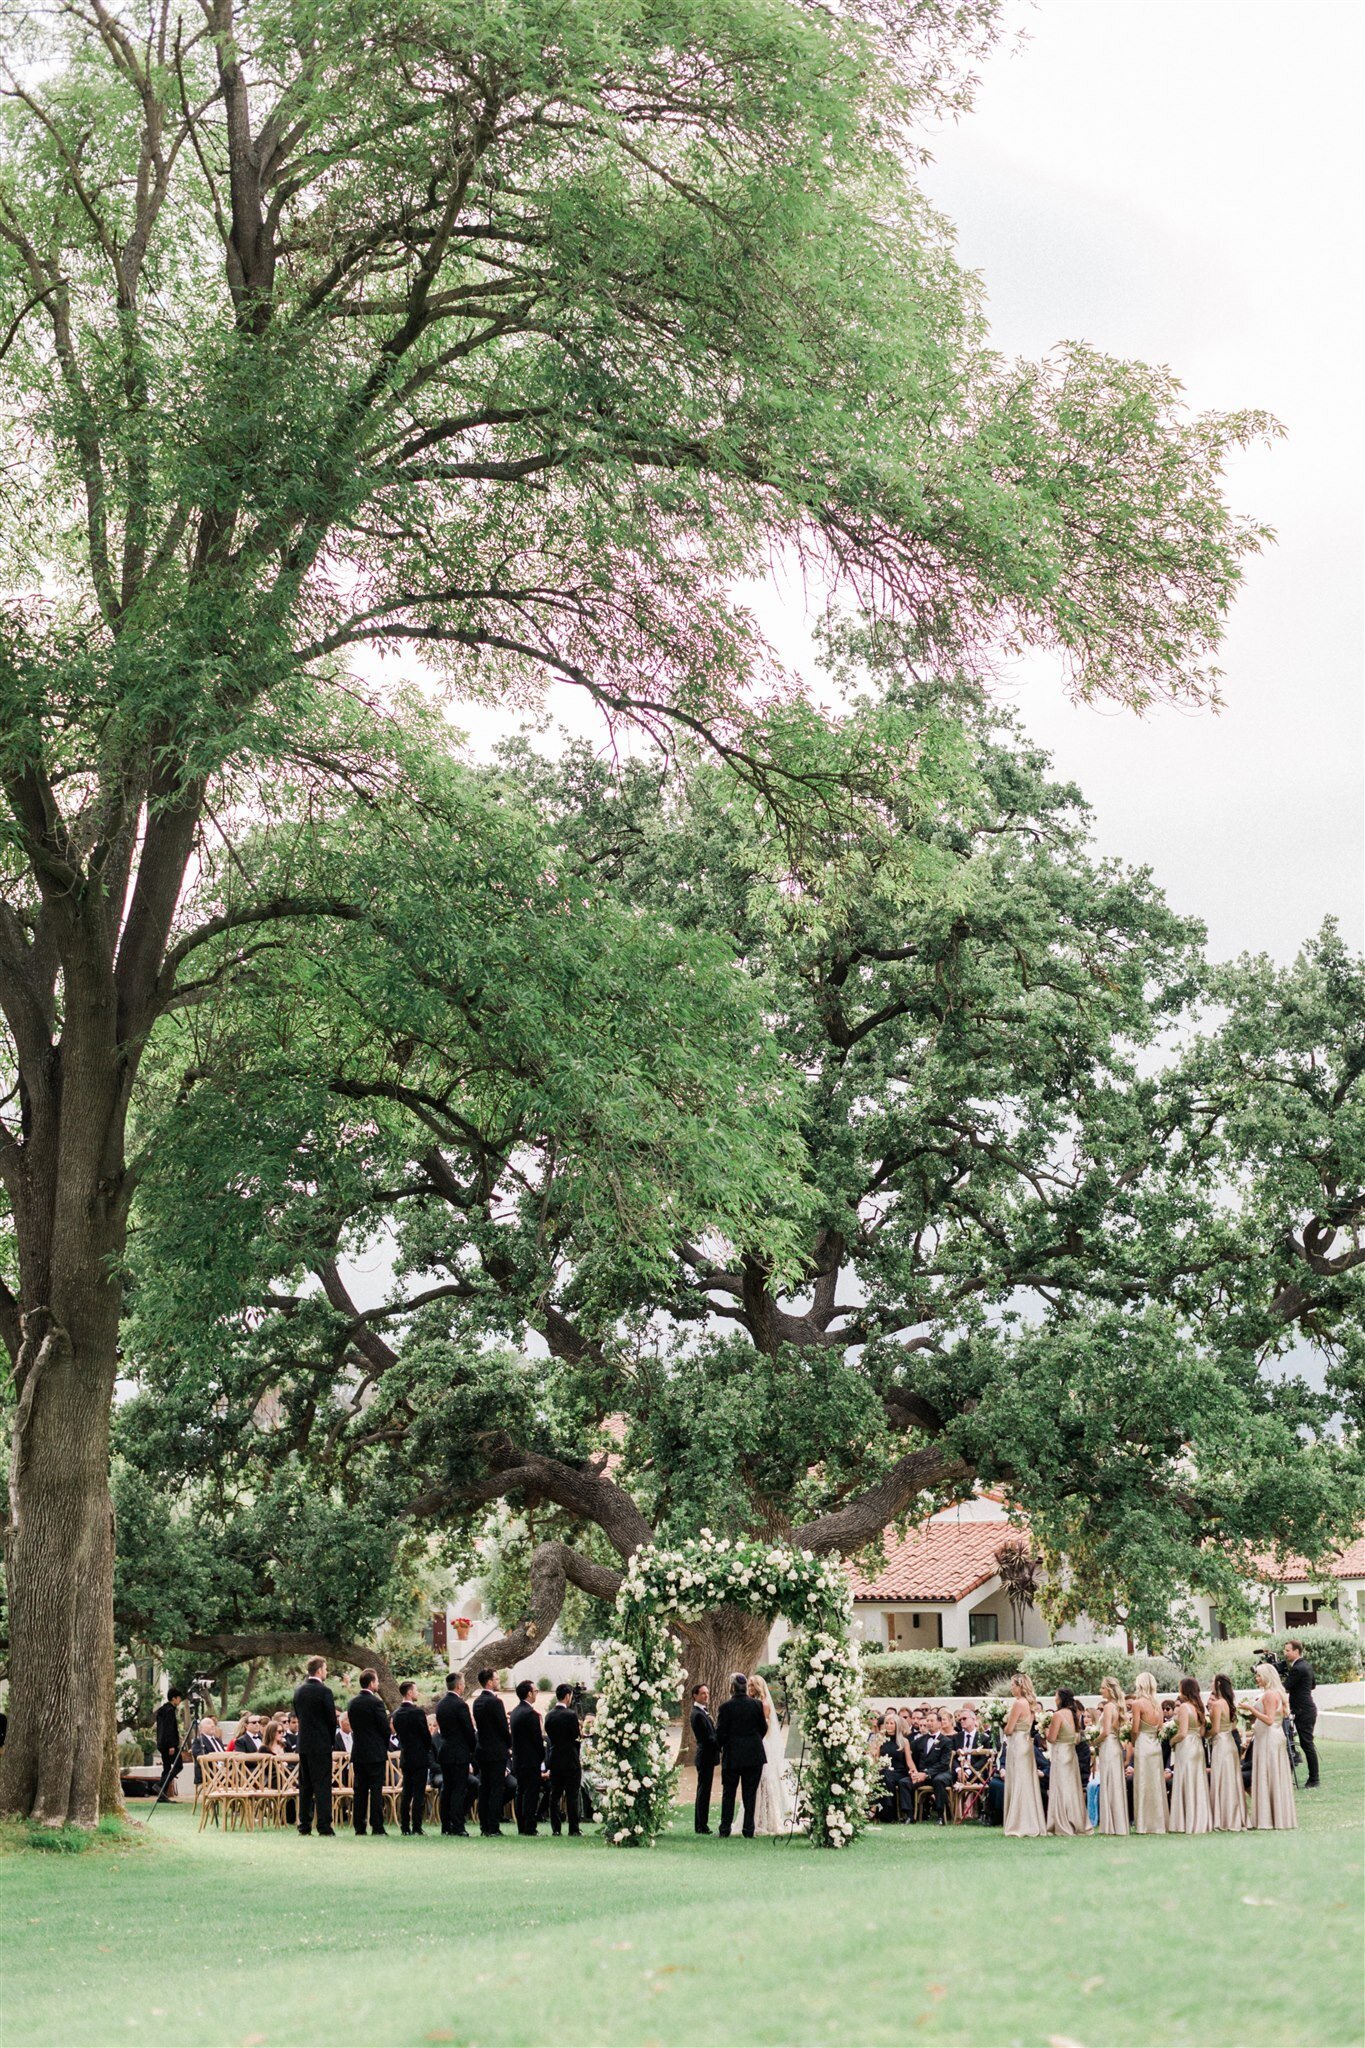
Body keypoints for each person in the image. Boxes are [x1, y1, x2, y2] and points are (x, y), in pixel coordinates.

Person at [715, 1671, 767, 1839]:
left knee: (729, 1793)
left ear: (732, 1687)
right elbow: (763, 1729)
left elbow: (720, 1733)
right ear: (745, 1687)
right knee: (750, 1794)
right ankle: (748, 1830)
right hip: (754, 1755)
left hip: (733, 1756)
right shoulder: (757, 1706)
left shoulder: (725, 1707)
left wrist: (724, 1745)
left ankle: (725, 1829)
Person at [292, 1656, 339, 1837]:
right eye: (325, 1669)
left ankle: (304, 1825)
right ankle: (324, 1826)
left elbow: (298, 1714)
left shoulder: (299, 1691)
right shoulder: (324, 1692)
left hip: (303, 1744)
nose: (326, 1672)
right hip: (320, 1745)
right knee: (322, 1786)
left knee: (305, 1786)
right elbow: (330, 1719)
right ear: (319, 1671)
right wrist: (330, 1741)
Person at [1247, 1661, 1297, 1829]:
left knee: (1269, 1773)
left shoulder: (1269, 1695)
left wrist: (1251, 1709)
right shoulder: (1277, 1693)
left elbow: (1269, 1720)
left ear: (1267, 1677)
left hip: (1269, 1737)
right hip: (1272, 1736)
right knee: (1273, 1773)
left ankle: (1269, 1817)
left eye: (1259, 1675)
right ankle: (1275, 1815)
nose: (1257, 1678)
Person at [346, 1669, 392, 1837]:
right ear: (372, 1683)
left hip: (358, 1751)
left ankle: (359, 1826)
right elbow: (385, 1728)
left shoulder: (352, 1703)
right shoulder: (376, 1703)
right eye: (377, 1681)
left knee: (360, 1790)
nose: (378, 1684)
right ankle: (377, 1826)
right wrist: (383, 1745)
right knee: (376, 1790)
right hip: (375, 1753)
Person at [1002, 1674, 1046, 1837]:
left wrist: (1003, 1724)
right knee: (1026, 1781)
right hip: (1026, 1742)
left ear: (1020, 1686)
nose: (1011, 1688)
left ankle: (1019, 1821)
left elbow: (1009, 1729)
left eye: (1013, 1685)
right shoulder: (1030, 1704)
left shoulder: (1018, 1703)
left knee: (1019, 1780)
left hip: (1017, 1743)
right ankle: (1029, 1819)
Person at [435, 1671, 477, 1837]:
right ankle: (458, 1826)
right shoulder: (460, 1705)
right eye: (464, 1683)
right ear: (459, 1686)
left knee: (447, 1789)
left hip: (445, 1751)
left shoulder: (441, 1704)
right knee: (458, 1790)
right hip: (459, 1752)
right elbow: (468, 1730)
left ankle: (445, 1825)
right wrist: (473, 1750)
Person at [1168, 1677, 1212, 1833]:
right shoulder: (1199, 1707)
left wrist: (1172, 1741)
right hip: (1198, 1745)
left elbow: (1182, 1732)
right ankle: (1200, 1818)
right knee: (1197, 1782)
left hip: (1186, 1746)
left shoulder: (1185, 1707)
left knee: (1186, 1780)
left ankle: (1186, 1820)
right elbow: (1201, 1732)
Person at [748, 1674, 791, 1835]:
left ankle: (769, 1818)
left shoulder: (763, 1704)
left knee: (766, 1779)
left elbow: (765, 1728)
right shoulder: (753, 1703)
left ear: (759, 1687)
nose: (750, 1689)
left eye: (752, 1686)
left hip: (763, 1745)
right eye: (749, 1686)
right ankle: (756, 1816)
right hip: (758, 1744)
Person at [1045, 1689, 1090, 1835]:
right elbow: (1076, 1738)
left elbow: (1051, 1738)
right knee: (1072, 1788)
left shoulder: (1058, 1715)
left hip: (1060, 1753)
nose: (1054, 1698)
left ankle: (1062, 1822)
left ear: (1061, 1699)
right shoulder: (1073, 1714)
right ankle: (1076, 1821)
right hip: (1071, 1754)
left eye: (1056, 1696)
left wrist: (1045, 1730)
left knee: (1061, 1787)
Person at [472, 1669, 512, 1836]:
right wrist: (509, 1744)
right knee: (496, 1789)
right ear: (489, 1682)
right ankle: (493, 1826)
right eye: (496, 1679)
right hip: (496, 1751)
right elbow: (503, 1727)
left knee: (484, 1788)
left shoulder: (477, 1702)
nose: (498, 1681)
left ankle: (484, 1826)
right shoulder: (495, 1702)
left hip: (482, 1750)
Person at [393, 1680, 433, 1836]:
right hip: (419, 1756)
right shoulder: (417, 1713)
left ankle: (404, 1826)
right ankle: (416, 1826)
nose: (417, 1693)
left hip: (406, 1756)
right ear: (409, 1692)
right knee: (418, 1794)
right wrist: (426, 1747)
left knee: (406, 1793)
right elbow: (426, 1736)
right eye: (415, 1690)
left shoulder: (396, 1714)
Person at [1130, 1673, 1168, 1834]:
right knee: (1156, 1783)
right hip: (1155, 1745)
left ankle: (1144, 1823)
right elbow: (1160, 1727)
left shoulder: (1137, 1704)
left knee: (1143, 1782)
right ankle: (1159, 1822)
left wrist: (1133, 1740)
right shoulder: (1157, 1704)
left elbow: (1135, 1729)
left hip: (1143, 1744)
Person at [1208, 1674, 1245, 1832]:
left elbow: (1215, 1729)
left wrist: (1203, 1733)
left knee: (1222, 1778)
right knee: (1231, 1779)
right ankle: (1235, 1815)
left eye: (1212, 1682)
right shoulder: (1230, 1705)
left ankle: (1224, 1817)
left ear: (1217, 1684)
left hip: (1221, 1744)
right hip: (1230, 1742)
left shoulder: (1217, 1705)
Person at [545, 1684, 584, 1836]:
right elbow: (576, 1736)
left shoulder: (549, 1715)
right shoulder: (570, 1715)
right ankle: (573, 1828)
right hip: (570, 1758)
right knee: (572, 1795)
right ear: (567, 1696)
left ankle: (556, 1828)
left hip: (555, 1758)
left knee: (555, 1795)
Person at [509, 1680, 546, 1836]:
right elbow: (537, 1739)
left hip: (518, 1759)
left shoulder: (515, 1711)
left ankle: (521, 1827)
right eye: (535, 1691)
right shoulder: (530, 1713)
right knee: (531, 1794)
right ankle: (530, 1827)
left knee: (520, 1792)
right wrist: (541, 1756)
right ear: (529, 1693)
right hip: (530, 1760)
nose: (536, 1694)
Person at [1281, 1640, 1319, 1789]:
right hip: (1307, 1708)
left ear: (1296, 1651)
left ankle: (1314, 1779)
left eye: (1288, 1650)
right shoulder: (1306, 1666)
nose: (1286, 1653)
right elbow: (1313, 1685)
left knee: (1307, 1744)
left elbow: (1285, 1687)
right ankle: (1313, 1778)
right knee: (1307, 1743)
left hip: (1303, 1710)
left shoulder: (1297, 1668)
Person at [1095, 1676, 1128, 1836]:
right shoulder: (1117, 1706)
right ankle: (1118, 1823)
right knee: (1114, 1782)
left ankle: (1111, 1824)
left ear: (1109, 1689)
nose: (1100, 1690)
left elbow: (1106, 1731)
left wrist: (1094, 1741)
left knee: (1109, 1781)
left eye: (1102, 1688)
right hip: (1114, 1745)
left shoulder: (1109, 1707)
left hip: (1108, 1745)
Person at [689, 1684, 719, 1834]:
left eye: (707, 1693)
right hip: (705, 1756)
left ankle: (701, 1824)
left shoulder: (702, 1712)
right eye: (702, 1693)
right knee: (703, 1792)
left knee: (704, 1791)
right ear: (695, 1695)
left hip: (708, 1756)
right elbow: (708, 1738)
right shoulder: (698, 1714)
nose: (706, 1696)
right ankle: (701, 1825)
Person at [154, 1688, 183, 1798]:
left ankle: (162, 1794)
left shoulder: (162, 1709)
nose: (180, 1700)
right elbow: (169, 1728)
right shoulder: (170, 1711)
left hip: (161, 1743)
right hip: (168, 1744)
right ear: (174, 1698)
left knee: (167, 1768)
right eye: (179, 1698)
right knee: (178, 1766)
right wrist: (171, 1745)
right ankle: (160, 1785)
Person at [191, 1714, 225, 1788]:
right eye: (209, 1724)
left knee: (240, 1773)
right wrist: (220, 1767)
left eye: (213, 1724)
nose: (212, 1725)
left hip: (224, 1771)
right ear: (201, 1728)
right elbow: (201, 1758)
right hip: (209, 1772)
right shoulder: (198, 1741)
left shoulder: (217, 1740)